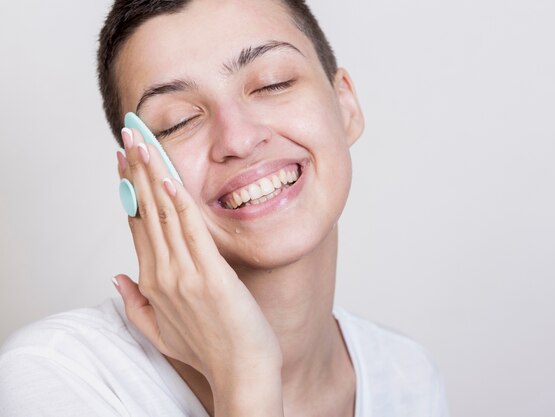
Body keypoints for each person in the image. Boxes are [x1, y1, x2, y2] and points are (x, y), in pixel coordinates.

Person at [0, 0, 448, 416]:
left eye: (274, 83)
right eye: (178, 121)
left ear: (345, 103)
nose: (237, 139)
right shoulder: (56, 376)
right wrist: (245, 375)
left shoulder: (407, 375)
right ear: (136, 178)